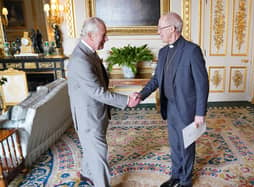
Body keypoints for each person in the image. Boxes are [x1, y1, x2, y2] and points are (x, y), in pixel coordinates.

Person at [133, 12, 209, 187]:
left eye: (160, 28)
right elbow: (156, 79)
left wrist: (200, 112)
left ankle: (185, 181)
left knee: (186, 145)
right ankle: (176, 175)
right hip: (170, 106)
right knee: (175, 144)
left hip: (187, 108)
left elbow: (202, 84)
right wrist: (141, 94)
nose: (158, 32)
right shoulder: (163, 51)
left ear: (173, 29)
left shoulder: (192, 50)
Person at [67, 17, 139, 187]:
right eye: (104, 35)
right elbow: (97, 92)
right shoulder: (80, 60)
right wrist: (127, 100)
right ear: (91, 35)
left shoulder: (89, 53)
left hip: (95, 113)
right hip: (88, 117)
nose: (107, 38)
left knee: (91, 149)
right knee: (99, 156)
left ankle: (86, 174)